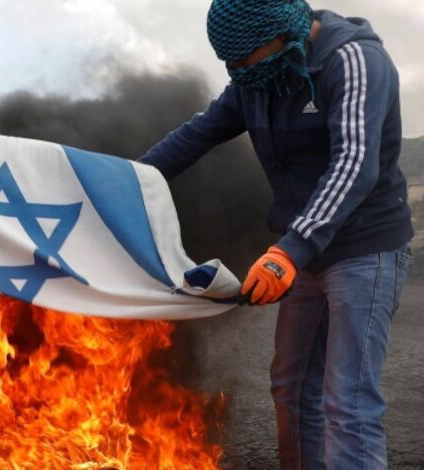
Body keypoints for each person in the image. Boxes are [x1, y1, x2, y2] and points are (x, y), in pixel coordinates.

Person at [137, 1, 413, 468]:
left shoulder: (354, 61)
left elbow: (353, 165)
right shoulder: (256, 78)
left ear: (286, 32)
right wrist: (127, 180)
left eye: (247, 59)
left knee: (348, 403)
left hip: (364, 250)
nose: (239, 71)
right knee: (292, 388)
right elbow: (196, 135)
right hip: (304, 253)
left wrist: (290, 250)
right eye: (231, 63)